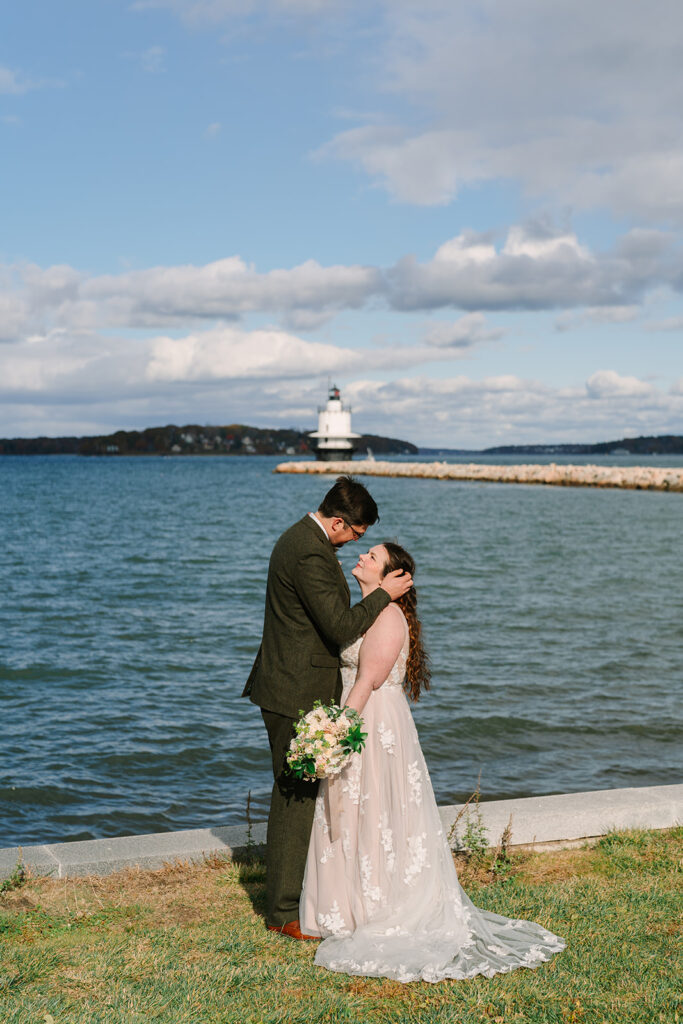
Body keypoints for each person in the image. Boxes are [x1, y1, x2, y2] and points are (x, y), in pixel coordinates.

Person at [300, 542, 565, 982]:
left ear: (390, 578)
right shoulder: (365, 609)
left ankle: (376, 905)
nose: (362, 556)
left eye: (373, 556)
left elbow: (367, 680)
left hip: (371, 722)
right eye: (364, 551)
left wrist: (333, 735)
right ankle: (345, 906)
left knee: (373, 813)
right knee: (353, 811)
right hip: (361, 716)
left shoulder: (386, 617)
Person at [243, 477, 413, 941]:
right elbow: (340, 627)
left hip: (290, 685)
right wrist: (383, 595)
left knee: (297, 794)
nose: (357, 543)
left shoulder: (304, 541)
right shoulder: (308, 552)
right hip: (293, 691)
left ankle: (296, 897)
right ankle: (281, 913)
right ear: (338, 522)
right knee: (295, 797)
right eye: (356, 533)